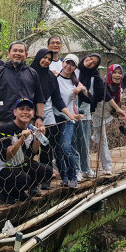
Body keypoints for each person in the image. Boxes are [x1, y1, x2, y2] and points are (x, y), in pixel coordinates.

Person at [30, 49, 79, 188]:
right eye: (44, 58)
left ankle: (45, 179)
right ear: (38, 57)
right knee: (29, 149)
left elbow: (57, 99)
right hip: (29, 115)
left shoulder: (51, 77)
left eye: (49, 59)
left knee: (47, 148)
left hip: (48, 117)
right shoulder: (29, 73)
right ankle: (30, 181)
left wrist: (71, 116)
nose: (46, 61)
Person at [0, 98, 52, 203]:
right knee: (23, 178)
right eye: (21, 109)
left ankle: (17, 192)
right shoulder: (5, 129)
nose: (25, 112)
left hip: (18, 166)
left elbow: (30, 154)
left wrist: (38, 138)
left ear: (33, 113)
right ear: (15, 112)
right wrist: (21, 140)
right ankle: (3, 191)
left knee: (47, 171)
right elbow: (5, 157)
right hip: (0, 169)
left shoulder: (31, 129)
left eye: (28, 109)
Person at [0, 41, 46, 132]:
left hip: (27, 122)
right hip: (3, 121)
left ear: (26, 54)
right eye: (15, 50)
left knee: (27, 146)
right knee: (4, 146)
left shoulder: (32, 73)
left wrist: (40, 118)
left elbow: (39, 98)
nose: (17, 53)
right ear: (9, 53)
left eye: (21, 51)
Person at [99, 63, 126, 175]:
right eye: (114, 72)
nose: (117, 75)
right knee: (100, 138)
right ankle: (105, 166)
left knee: (101, 139)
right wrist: (118, 110)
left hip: (112, 112)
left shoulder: (120, 84)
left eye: (119, 73)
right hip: (98, 114)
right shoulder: (104, 84)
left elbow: (125, 76)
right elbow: (108, 97)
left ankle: (107, 167)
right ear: (109, 73)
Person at [54, 54, 86, 188]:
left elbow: (88, 96)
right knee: (57, 149)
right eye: (67, 63)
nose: (69, 66)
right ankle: (64, 177)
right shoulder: (54, 79)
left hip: (69, 119)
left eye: (72, 64)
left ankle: (73, 176)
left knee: (65, 146)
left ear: (75, 68)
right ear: (63, 63)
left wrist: (82, 88)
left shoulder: (75, 82)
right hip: (55, 117)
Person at [73, 53, 105, 179]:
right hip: (70, 111)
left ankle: (85, 168)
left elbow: (97, 96)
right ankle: (77, 170)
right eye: (90, 59)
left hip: (85, 112)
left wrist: (84, 91)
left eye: (94, 63)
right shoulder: (73, 71)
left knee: (84, 141)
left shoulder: (94, 77)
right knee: (73, 141)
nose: (90, 62)